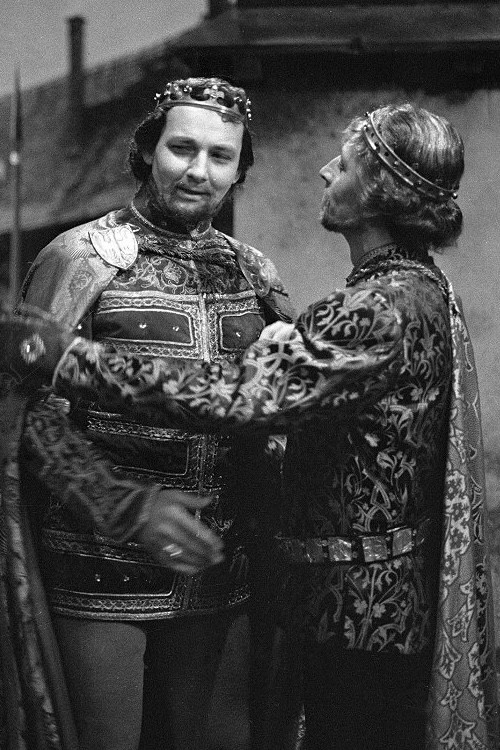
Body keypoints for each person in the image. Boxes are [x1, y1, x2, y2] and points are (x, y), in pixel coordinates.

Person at [49, 103, 499, 749]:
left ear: (379, 192)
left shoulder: (369, 305)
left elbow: (239, 400)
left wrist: (73, 359)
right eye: (181, 148)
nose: (325, 171)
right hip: (131, 572)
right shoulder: (418, 287)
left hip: (352, 619)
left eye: (345, 164)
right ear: (148, 152)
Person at [15, 77, 294, 750]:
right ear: (147, 151)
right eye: (182, 148)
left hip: (218, 574)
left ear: (239, 169)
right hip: (98, 568)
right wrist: (125, 508)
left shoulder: (253, 272)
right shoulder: (80, 258)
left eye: (220, 156)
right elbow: (29, 414)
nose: (199, 171)